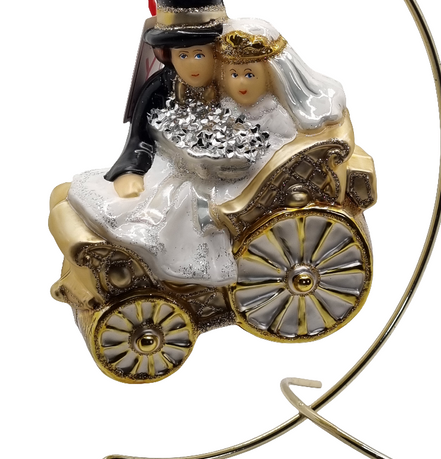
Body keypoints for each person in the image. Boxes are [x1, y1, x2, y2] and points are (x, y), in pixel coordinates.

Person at [67, 16, 349, 287]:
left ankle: (172, 253)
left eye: (250, 75)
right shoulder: (210, 98)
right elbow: (146, 136)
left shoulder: (274, 114)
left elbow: (274, 152)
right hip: (199, 165)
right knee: (165, 186)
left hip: (250, 180)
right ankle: (139, 228)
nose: (240, 83)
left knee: (186, 198)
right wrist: (135, 168)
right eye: (233, 74)